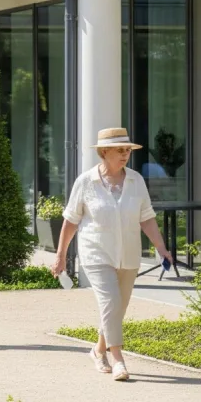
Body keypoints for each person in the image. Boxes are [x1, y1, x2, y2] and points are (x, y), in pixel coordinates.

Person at [52, 128, 173, 382]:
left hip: (128, 255)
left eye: (128, 149)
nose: (125, 154)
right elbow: (70, 221)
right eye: (120, 149)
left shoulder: (136, 181)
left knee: (119, 307)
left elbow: (147, 218)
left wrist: (161, 248)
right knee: (110, 303)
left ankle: (98, 350)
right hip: (96, 252)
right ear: (104, 152)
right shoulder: (86, 182)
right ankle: (118, 359)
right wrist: (61, 255)